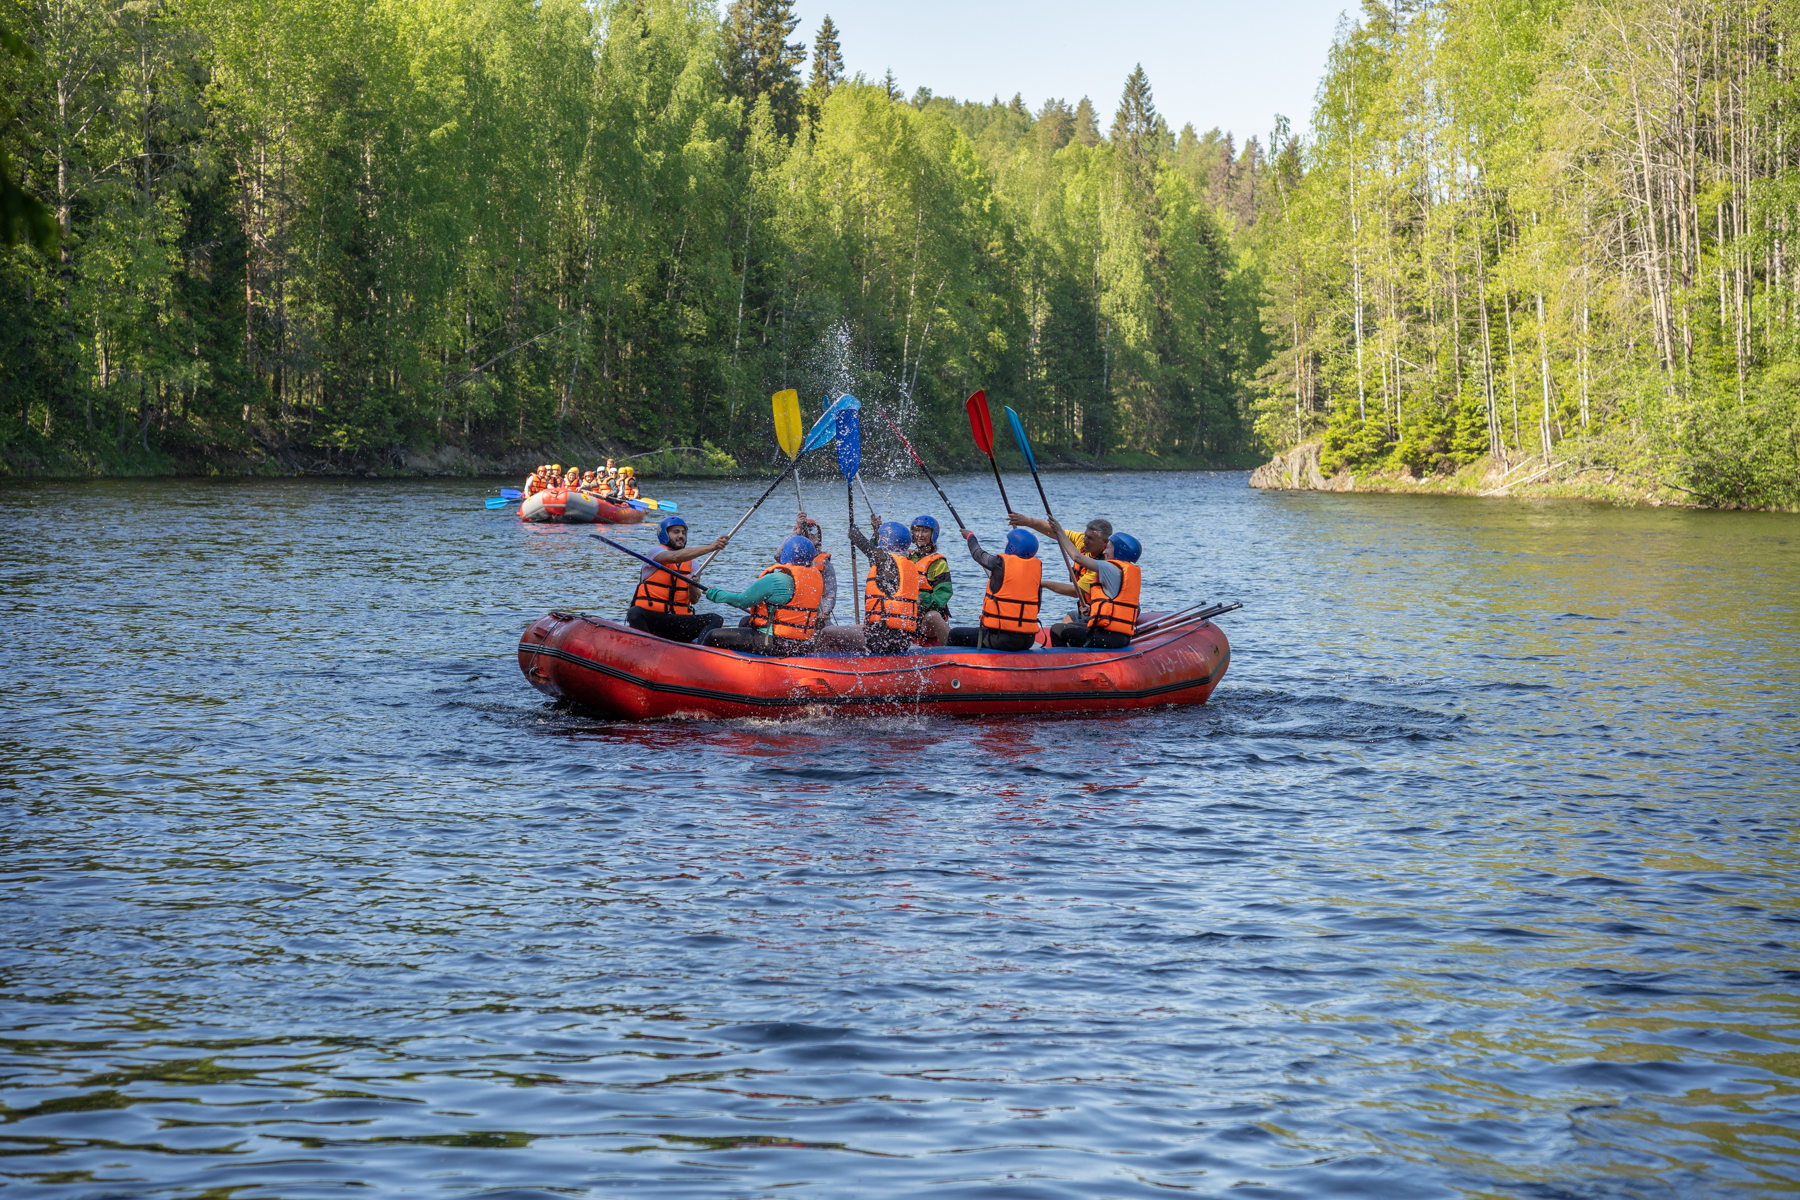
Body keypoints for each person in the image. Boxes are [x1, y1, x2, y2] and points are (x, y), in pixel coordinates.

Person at [1009, 514, 1142, 648]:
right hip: (1108, 627)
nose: (1106, 550)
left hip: (1110, 636)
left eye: (1109, 547)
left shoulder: (1108, 566)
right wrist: (1028, 521)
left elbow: (1077, 558)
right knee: (1069, 625)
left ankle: (1061, 662)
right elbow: (1055, 533)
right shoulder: (1119, 568)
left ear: (1118, 551)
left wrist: (1042, 583)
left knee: (1057, 629)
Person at [701, 536, 825, 656]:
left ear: (785, 554)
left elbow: (741, 601)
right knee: (745, 622)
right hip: (802, 645)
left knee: (712, 636)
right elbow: (816, 613)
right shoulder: (814, 582)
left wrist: (714, 594)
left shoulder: (776, 579)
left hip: (774, 643)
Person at [625, 515, 728, 644]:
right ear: (664, 535)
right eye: (676, 532)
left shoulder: (694, 565)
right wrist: (711, 547)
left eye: (684, 533)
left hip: (678, 623)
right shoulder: (654, 552)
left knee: (715, 619)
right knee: (634, 612)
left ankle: (700, 652)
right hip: (653, 621)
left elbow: (694, 600)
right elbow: (673, 557)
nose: (681, 536)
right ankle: (646, 646)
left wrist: (692, 586)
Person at [946, 526, 1043, 651]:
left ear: (1012, 547)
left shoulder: (999, 563)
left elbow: (978, 554)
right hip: (1028, 640)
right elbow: (1037, 606)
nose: (1006, 544)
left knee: (955, 634)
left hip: (1003, 639)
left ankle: (948, 665)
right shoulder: (1036, 570)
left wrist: (970, 537)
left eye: (1008, 542)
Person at [846, 520, 920, 655]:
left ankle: (820, 665)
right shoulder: (908, 566)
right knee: (853, 628)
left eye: (880, 538)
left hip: (882, 639)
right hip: (903, 639)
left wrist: (854, 533)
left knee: (828, 633)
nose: (878, 541)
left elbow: (867, 548)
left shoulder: (888, 561)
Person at [907, 515, 952, 647]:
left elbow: (942, 596)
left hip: (926, 621)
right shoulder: (906, 556)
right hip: (907, 618)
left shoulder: (938, 563)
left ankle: (952, 651)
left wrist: (921, 600)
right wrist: (877, 536)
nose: (919, 535)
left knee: (932, 616)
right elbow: (880, 562)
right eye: (916, 530)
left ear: (933, 535)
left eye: (925, 531)